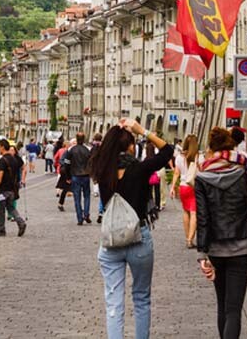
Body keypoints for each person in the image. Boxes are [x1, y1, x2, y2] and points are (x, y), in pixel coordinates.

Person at [89, 119, 172, 339]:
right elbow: (167, 151)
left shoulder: (101, 169)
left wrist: (115, 133)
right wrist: (141, 130)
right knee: (142, 298)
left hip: (111, 241)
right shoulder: (139, 169)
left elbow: (98, 152)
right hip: (139, 238)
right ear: (130, 147)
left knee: (113, 301)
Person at [196, 127, 247, 339]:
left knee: (222, 305)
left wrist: (202, 254)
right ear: (231, 146)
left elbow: (202, 219)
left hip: (215, 249)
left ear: (211, 149)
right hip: (241, 248)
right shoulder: (245, 172)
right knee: (233, 309)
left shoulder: (202, 176)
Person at [170, 135, 200, 248]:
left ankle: (187, 237)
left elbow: (176, 173)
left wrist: (173, 187)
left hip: (183, 186)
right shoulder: (198, 157)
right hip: (194, 186)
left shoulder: (179, 157)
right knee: (194, 212)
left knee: (185, 211)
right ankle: (190, 239)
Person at [0, 141, 27, 237]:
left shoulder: (2, 160)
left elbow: (0, 175)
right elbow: (21, 170)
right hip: (13, 188)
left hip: (3, 189)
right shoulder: (14, 159)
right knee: (11, 207)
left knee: (1, 209)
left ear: (3, 147)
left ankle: (1, 230)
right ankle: (21, 222)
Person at [66, 132, 93, 225]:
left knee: (77, 198)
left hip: (75, 176)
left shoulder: (72, 150)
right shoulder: (87, 150)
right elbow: (91, 163)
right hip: (85, 175)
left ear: (76, 139)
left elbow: (66, 163)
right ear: (84, 139)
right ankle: (86, 213)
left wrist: (67, 176)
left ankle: (79, 218)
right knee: (87, 196)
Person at [55, 137, 71, 211]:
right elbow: (62, 160)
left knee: (64, 186)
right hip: (65, 171)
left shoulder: (63, 150)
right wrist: (66, 164)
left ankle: (58, 192)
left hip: (64, 170)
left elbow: (56, 158)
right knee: (65, 188)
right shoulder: (67, 152)